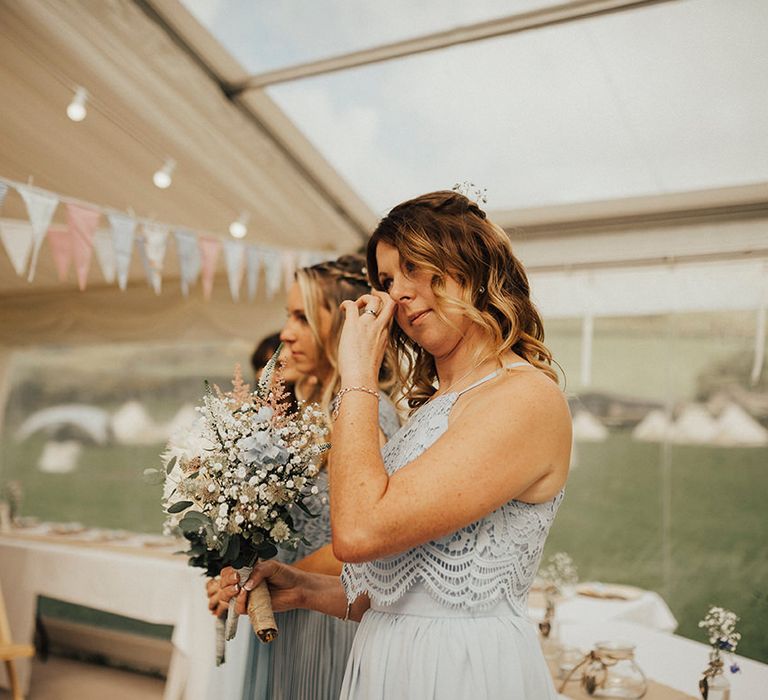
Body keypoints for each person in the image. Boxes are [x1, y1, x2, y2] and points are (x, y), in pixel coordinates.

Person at [223, 191, 572, 698]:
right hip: (389, 658)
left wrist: (357, 373)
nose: (398, 293)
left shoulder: (524, 397)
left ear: (471, 267)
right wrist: (303, 587)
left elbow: (359, 531)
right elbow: (403, 589)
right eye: (387, 280)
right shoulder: (433, 407)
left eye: (413, 267)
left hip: (459, 670)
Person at [210, 255, 400, 700]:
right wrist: (238, 570)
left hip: (327, 619)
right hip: (286, 608)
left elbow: (368, 541)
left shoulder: (362, 415)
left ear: (340, 324)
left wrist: (274, 577)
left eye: (301, 317)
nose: (285, 333)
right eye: (287, 316)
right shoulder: (307, 412)